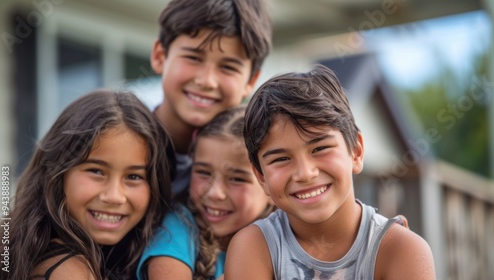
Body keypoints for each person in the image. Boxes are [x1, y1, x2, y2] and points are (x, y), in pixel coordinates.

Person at [224, 65, 436, 279]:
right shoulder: (254, 247)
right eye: (281, 159)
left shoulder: (399, 250)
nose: (305, 173)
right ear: (261, 176)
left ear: (356, 151)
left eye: (320, 149)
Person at [0, 90, 174, 279]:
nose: (114, 196)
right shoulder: (69, 271)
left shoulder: (29, 249)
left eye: (134, 176)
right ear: (58, 172)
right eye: (96, 171)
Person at [149, 0, 272, 200]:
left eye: (228, 67)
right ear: (160, 56)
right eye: (193, 58)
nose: (207, 81)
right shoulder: (116, 144)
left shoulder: (258, 164)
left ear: (251, 81)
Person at [136, 105, 276, 280]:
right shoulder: (177, 226)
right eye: (203, 172)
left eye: (237, 179)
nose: (215, 193)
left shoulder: (284, 238)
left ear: (271, 185)